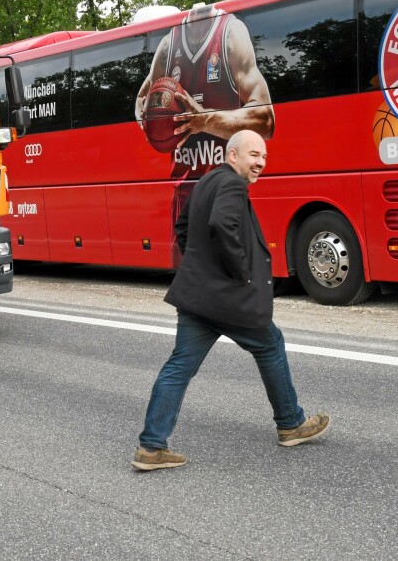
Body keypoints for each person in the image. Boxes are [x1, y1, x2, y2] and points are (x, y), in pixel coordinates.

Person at [133, 130, 329, 471]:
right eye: (254, 155)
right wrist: (242, 273)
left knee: (179, 367)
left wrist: (201, 263)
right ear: (233, 155)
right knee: (270, 344)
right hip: (227, 298)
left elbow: (182, 226)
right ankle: (290, 423)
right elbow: (223, 225)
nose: (260, 163)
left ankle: (151, 446)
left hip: (196, 297)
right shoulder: (233, 185)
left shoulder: (205, 182)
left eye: (264, 158)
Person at [134, 4, 276, 231]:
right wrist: (151, 124)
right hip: (183, 197)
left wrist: (205, 120)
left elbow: (266, 120)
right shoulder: (168, 45)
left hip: (223, 192)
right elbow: (142, 98)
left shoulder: (230, 34)